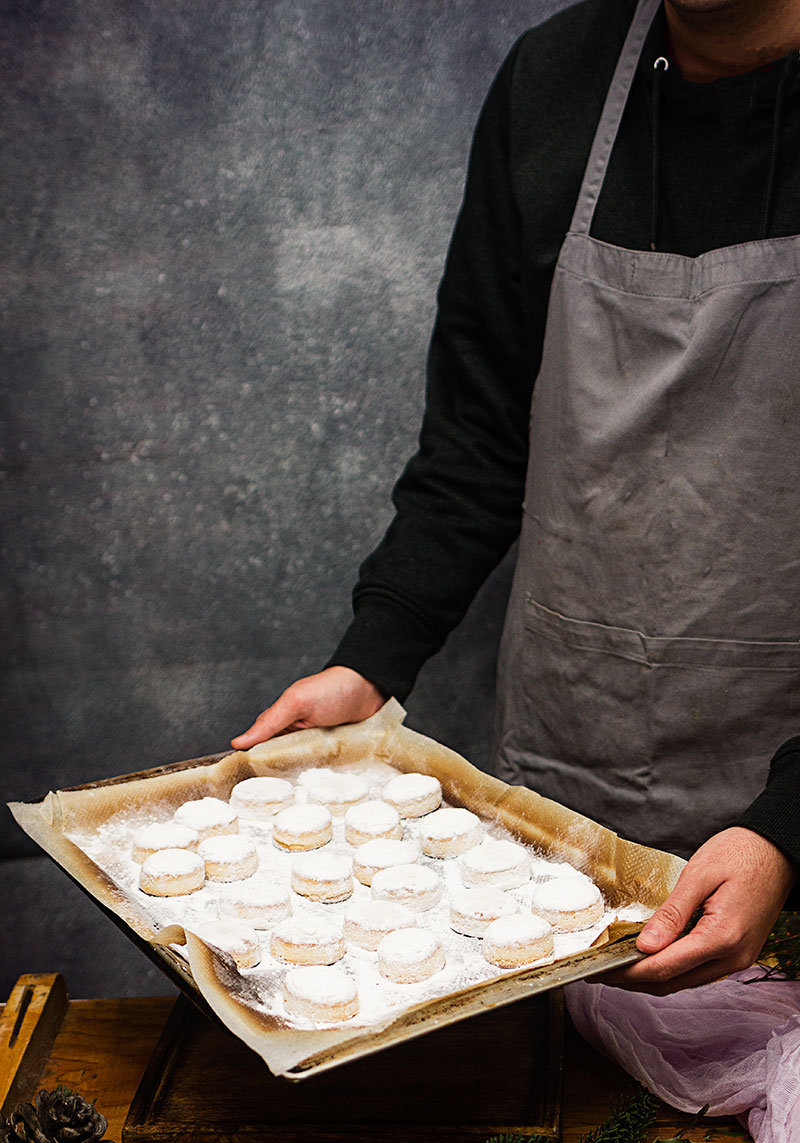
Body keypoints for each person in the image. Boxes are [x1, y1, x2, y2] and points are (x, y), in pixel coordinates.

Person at [232, 0, 800, 994]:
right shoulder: (553, 83)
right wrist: (374, 654)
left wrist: (788, 833)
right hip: (570, 771)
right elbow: (480, 429)